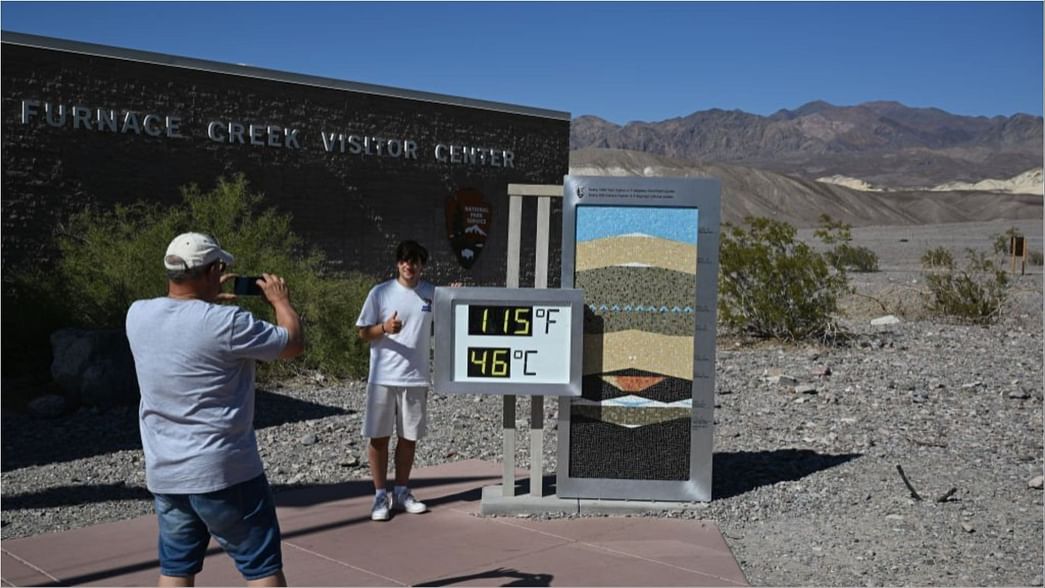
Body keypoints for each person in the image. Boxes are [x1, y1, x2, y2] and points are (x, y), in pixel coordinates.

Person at [126, 232, 304, 587]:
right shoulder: (228, 323)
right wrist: (280, 301)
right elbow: (293, 344)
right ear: (212, 271)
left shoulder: (137, 314)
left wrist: (203, 301)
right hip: (225, 471)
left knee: (176, 568)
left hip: (166, 474)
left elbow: (182, 323)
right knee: (261, 567)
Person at [356, 240, 437, 521]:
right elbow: (363, 332)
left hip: (416, 378)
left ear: (422, 265)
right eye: (404, 261)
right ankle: (380, 495)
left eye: (414, 261)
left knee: (408, 437)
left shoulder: (431, 294)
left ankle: (401, 491)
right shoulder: (380, 293)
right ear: (397, 264)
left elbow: (454, 315)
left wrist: (456, 295)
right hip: (383, 376)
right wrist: (384, 328)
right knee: (379, 437)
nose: (409, 266)